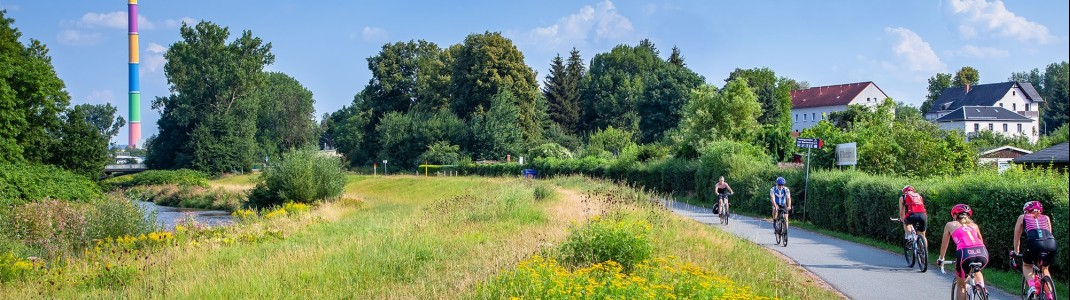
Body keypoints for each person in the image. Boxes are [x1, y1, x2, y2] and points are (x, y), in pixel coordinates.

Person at [937, 204, 988, 299]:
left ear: (954, 216)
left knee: (961, 285)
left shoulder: (950, 225)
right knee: (977, 270)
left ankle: (972, 288)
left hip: (965, 253)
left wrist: (941, 258)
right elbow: (981, 241)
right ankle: (982, 288)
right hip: (982, 253)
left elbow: (945, 244)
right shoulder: (974, 225)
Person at [1012, 201, 1057, 294]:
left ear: (1026, 211)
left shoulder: (1022, 217)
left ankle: (1032, 287)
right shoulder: (1046, 218)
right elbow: (1049, 233)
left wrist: (1016, 251)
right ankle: (1050, 296)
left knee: (1027, 265)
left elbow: (1017, 236)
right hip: (1050, 243)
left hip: (1034, 242)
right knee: (1044, 268)